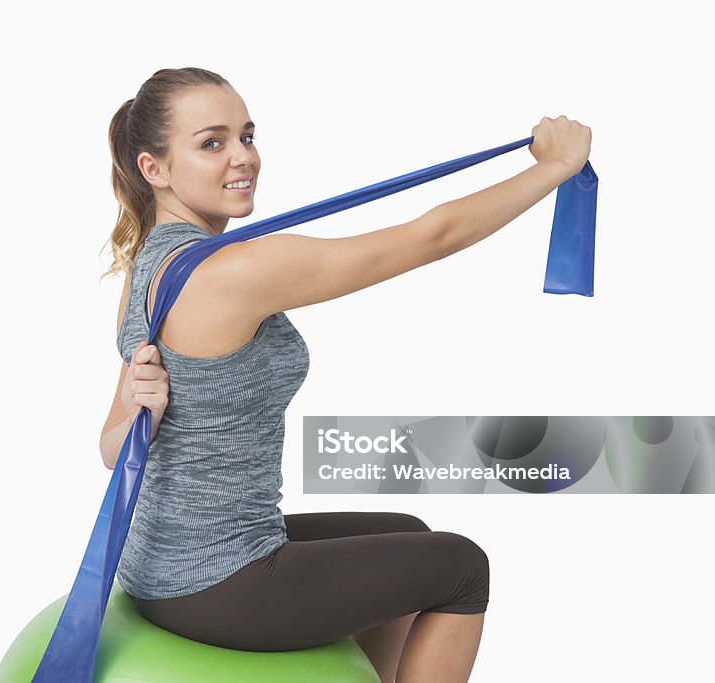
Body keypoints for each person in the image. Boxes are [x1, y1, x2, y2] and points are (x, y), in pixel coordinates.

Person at [97, 67, 590, 683]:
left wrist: (148, 412)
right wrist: (553, 169)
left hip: (157, 567)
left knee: (408, 533)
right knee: (463, 567)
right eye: (212, 143)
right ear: (155, 169)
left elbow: (111, 448)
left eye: (247, 136)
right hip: (215, 583)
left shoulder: (148, 264)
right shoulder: (237, 271)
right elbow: (430, 237)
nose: (243, 157)